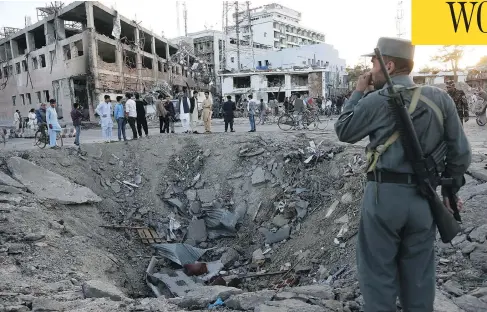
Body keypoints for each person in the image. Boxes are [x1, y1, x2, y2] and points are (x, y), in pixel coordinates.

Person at [334, 37, 471, 312]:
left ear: (389, 65)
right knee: (419, 278)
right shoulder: (440, 98)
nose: (370, 70)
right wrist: (449, 191)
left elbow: (344, 130)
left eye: (373, 63)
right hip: (423, 198)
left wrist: (358, 92)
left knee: (377, 276)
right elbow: (461, 154)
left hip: (383, 198)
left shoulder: (376, 99)